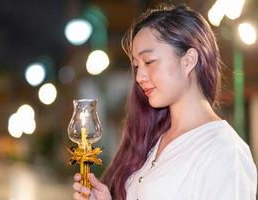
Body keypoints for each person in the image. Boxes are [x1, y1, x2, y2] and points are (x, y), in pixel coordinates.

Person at [72, 4, 257, 200]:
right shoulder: (155, 139)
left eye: (149, 61)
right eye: (136, 66)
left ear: (188, 60)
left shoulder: (223, 150)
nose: (139, 76)